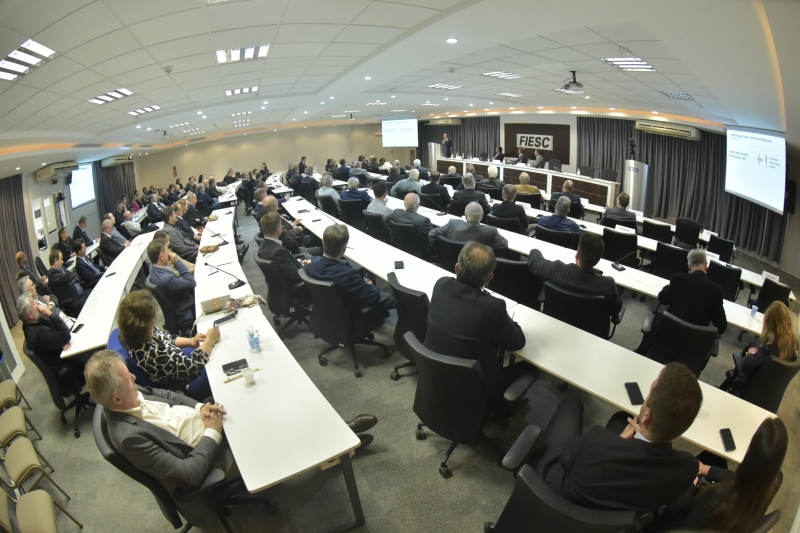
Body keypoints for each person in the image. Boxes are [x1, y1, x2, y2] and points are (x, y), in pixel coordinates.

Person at [83, 350, 234, 528]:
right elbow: (188, 474)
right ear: (116, 399)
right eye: (129, 380)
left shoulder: (127, 392)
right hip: (208, 455)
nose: (134, 377)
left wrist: (200, 407)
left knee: (232, 392)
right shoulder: (130, 439)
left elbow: (165, 394)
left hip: (203, 422)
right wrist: (213, 432)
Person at [532, 362, 704, 512]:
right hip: (610, 522)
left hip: (559, 494)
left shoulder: (597, 440)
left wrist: (618, 441)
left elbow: (566, 461)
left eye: (649, 394)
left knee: (571, 405)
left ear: (646, 416)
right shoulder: (686, 468)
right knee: (620, 419)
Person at [424, 242, 531, 406]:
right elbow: (517, 342)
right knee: (530, 369)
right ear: (489, 278)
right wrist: (506, 316)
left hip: (435, 373)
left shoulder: (441, 285)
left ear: (456, 268)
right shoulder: (493, 307)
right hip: (475, 388)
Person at [652, 417, 788, 533]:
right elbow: (739, 479)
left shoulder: (716, 499)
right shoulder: (773, 483)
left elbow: (671, 523)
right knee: (715, 459)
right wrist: (707, 469)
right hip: (725, 523)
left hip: (673, 524)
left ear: (749, 452)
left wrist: (689, 485)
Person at [117, 290, 218, 400]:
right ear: (145, 321)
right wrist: (210, 340)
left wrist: (191, 341)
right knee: (219, 362)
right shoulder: (150, 352)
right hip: (186, 381)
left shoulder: (139, 332)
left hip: (179, 363)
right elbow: (192, 366)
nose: (155, 316)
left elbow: (169, 339)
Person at [305, 224, 397, 323]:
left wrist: (362, 283)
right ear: (344, 249)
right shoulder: (347, 274)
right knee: (398, 297)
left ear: (323, 243)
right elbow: (374, 295)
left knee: (367, 277)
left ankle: (378, 317)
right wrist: (368, 285)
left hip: (331, 308)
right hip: (353, 309)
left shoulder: (314, 263)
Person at [527, 232, 623, 318]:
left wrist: (535, 250)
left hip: (557, 320)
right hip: (591, 331)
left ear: (577, 254)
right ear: (597, 260)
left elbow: (534, 262)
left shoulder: (557, 270)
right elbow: (616, 307)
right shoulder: (608, 285)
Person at [719, 301, 798, 397]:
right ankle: (721, 388)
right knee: (752, 345)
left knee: (742, 357)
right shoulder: (793, 344)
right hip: (770, 389)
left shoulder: (771, 345)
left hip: (752, 386)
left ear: (770, 322)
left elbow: (745, 365)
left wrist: (751, 355)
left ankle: (721, 390)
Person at [659, 249, 727, 333]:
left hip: (671, 334)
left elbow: (662, 299)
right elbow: (721, 327)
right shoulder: (716, 290)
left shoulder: (677, 278)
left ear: (689, 266)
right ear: (706, 265)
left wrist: (671, 286)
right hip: (696, 342)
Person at [17, 294, 76, 380]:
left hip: (62, 352)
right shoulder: (39, 333)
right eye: (34, 303)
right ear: (30, 314)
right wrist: (50, 313)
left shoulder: (30, 324)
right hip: (68, 369)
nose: (38, 304)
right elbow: (66, 335)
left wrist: (60, 341)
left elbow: (58, 332)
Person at [148, 239, 196, 324]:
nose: (170, 252)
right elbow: (192, 283)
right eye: (167, 250)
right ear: (162, 256)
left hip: (181, 298)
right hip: (187, 308)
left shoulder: (152, 266)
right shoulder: (167, 279)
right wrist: (177, 262)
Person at [258, 212, 310, 290]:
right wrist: (309, 266)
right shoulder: (278, 252)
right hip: (297, 287)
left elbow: (287, 268)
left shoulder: (264, 244)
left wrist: (301, 263)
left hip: (281, 287)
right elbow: (297, 276)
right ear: (278, 229)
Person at [429, 202, 508, 252]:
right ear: (483, 215)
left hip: (448, 263)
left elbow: (431, 234)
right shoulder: (491, 232)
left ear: (465, 215)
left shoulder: (452, 224)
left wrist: (439, 251)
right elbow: (504, 244)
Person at [387, 193, 434, 258]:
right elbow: (432, 236)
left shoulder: (396, 213)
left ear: (404, 204)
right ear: (418, 205)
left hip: (400, 245)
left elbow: (385, 222)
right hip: (421, 250)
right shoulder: (423, 221)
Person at [47, 249, 91, 315]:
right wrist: (70, 278)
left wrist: (72, 281)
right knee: (92, 301)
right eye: (61, 259)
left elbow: (75, 275)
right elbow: (67, 278)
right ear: (56, 261)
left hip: (80, 294)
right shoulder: (52, 275)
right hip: (73, 301)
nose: (62, 262)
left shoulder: (61, 268)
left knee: (94, 292)